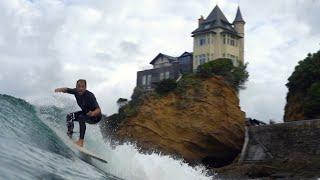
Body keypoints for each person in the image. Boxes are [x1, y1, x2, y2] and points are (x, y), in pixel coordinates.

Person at [54, 79, 102, 147]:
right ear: (76, 87)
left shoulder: (90, 96)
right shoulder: (75, 91)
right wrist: (58, 89)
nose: (80, 88)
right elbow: (67, 90)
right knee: (70, 116)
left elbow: (98, 110)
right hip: (86, 113)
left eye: (83, 87)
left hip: (95, 117)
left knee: (81, 118)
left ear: (85, 88)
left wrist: (93, 113)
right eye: (79, 86)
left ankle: (80, 142)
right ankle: (69, 135)